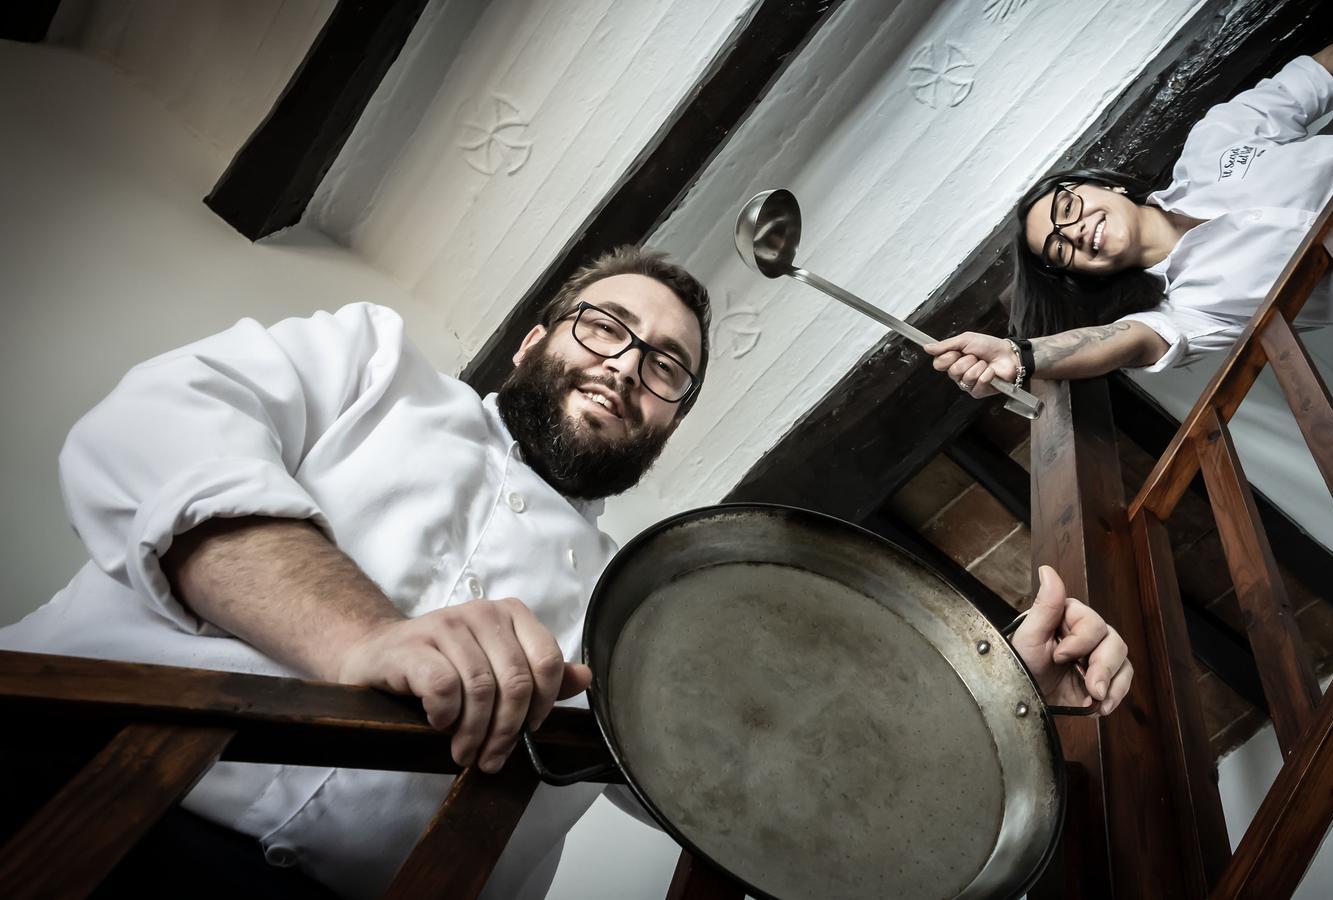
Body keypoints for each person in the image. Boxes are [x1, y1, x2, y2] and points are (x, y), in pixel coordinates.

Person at [0, 246, 1133, 898]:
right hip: (75, 777)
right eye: (603, 329)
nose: (628, 368)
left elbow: (755, 771)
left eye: (668, 368)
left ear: (672, 420)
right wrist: (361, 641)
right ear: (539, 336)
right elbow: (156, 433)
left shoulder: (650, 601)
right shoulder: (368, 360)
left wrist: (992, 694)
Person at [926, 27, 1333, 394]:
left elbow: (1328, 66)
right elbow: (1121, 342)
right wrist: (1024, 355)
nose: (1077, 230)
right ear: (1082, 272)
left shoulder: (1213, 141)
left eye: (1068, 207)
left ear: (1105, 186)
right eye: (1062, 247)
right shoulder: (1183, 310)